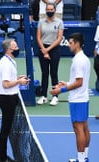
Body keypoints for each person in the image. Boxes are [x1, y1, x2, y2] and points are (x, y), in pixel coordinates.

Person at [51, 33, 90, 162]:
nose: (68, 45)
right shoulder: (84, 58)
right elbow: (78, 80)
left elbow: (79, 82)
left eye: (71, 42)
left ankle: (81, 159)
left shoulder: (78, 61)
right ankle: (84, 157)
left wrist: (60, 90)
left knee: (79, 129)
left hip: (77, 99)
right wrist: (66, 83)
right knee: (84, 128)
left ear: (77, 43)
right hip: (83, 98)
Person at [0, 39, 30, 162]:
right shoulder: (5, 63)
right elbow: (5, 84)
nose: (17, 49)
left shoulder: (10, 61)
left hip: (11, 97)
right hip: (7, 100)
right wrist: (18, 82)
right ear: (9, 50)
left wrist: (17, 78)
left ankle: (3, 156)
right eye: (15, 47)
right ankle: (2, 158)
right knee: (5, 130)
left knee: (6, 129)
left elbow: (9, 80)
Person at [36, 3, 64, 106]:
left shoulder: (59, 22)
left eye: (51, 9)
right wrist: (44, 50)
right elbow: (38, 37)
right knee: (44, 73)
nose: (50, 11)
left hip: (54, 49)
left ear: (55, 10)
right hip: (43, 49)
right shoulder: (41, 22)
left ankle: (55, 96)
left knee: (54, 73)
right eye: (48, 9)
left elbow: (59, 38)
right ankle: (43, 96)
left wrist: (48, 50)